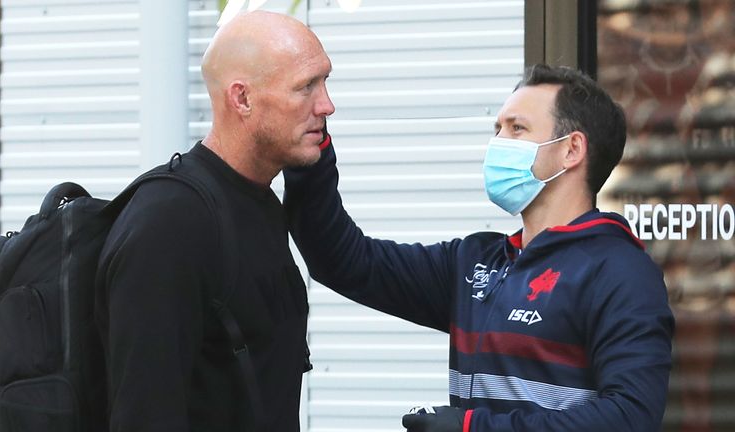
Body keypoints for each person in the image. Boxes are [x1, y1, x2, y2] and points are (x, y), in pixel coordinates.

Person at [283, 64, 674, 431]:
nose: (498, 142)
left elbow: (631, 416)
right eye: (497, 128)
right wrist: (309, 150)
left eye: (517, 129)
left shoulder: (619, 271)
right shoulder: (477, 263)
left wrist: (472, 427)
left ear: (571, 150)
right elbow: (344, 261)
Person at [95, 10, 334, 432]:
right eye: (305, 87)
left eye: (325, 81)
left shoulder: (260, 202)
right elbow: (145, 415)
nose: (326, 105)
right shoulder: (170, 224)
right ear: (241, 99)